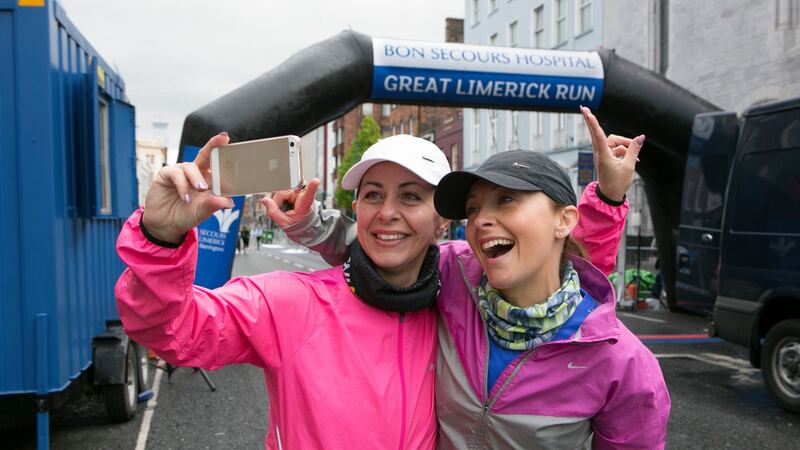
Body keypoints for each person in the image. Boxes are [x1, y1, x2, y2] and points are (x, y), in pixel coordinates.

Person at [269, 108, 668, 448]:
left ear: (564, 220)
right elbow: (387, 243)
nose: (481, 220)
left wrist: (608, 198)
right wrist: (308, 221)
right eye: (473, 208)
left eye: (506, 199)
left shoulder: (622, 362)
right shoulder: (455, 275)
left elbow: (568, 260)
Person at [116, 134, 449, 449]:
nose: (387, 212)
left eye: (410, 196)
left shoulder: (458, 304)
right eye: (373, 194)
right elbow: (174, 330)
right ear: (357, 208)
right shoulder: (293, 303)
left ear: (443, 219)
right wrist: (159, 236)